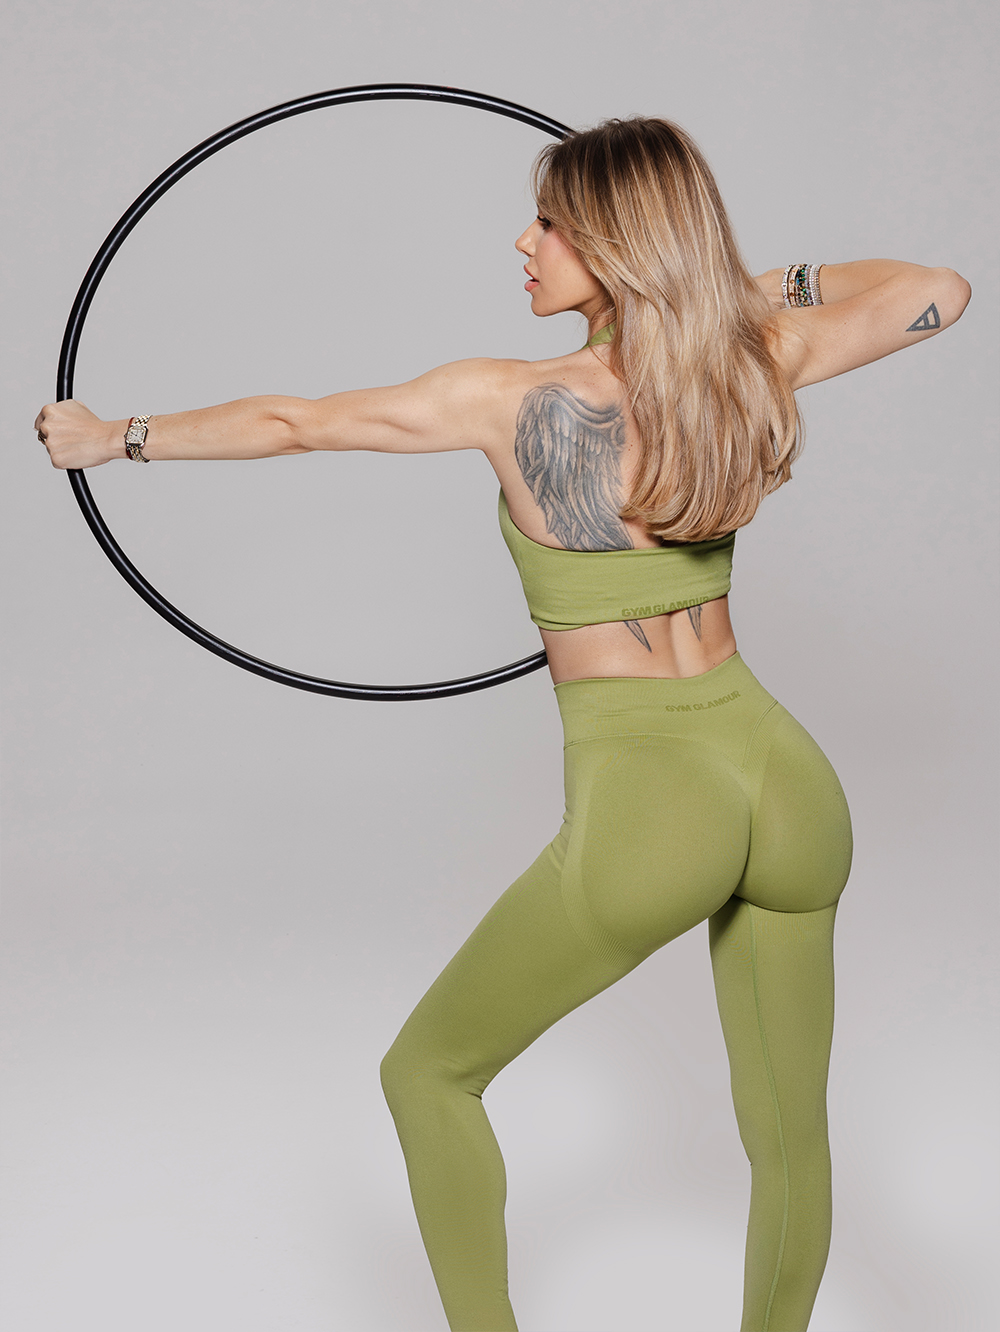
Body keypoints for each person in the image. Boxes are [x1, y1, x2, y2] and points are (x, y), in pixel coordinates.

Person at [36, 117, 970, 1332]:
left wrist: (116, 438)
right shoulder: (749, 361)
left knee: (428, 1073)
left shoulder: (507, 399)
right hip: (784, 776)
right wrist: (746, 292)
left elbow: (294, 422)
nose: (523, 243)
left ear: (618, 246)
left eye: (551, 223)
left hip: (655, 802)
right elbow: (938, 291)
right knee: (790, 1136)